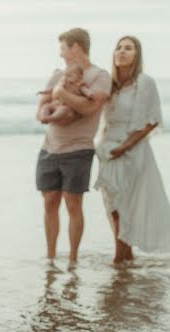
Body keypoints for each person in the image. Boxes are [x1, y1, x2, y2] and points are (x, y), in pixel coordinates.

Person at [94, 36, 170, 262]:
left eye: (128, 48)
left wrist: (126, 146)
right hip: (107, 149)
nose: (122, 51)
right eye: (119, 47)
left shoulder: (144, 82)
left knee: (125, 206)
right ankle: (125, 256)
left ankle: (119, 259)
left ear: (137, 54)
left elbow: (152, 120)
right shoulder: (110, 85)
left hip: (132, 150)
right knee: (112, 206)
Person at [35, 28, 112, 266]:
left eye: (63, 48)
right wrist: (51, 108)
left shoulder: (100, 76)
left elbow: (90, 109)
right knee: (49, 202)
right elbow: (40, 111)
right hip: (50, 147)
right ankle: (50, 257)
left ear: (76, 47)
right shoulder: (57, 74)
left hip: (78, 149)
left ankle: (72, 259)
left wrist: (61, 94)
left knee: (73, 204)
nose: (61, 55)